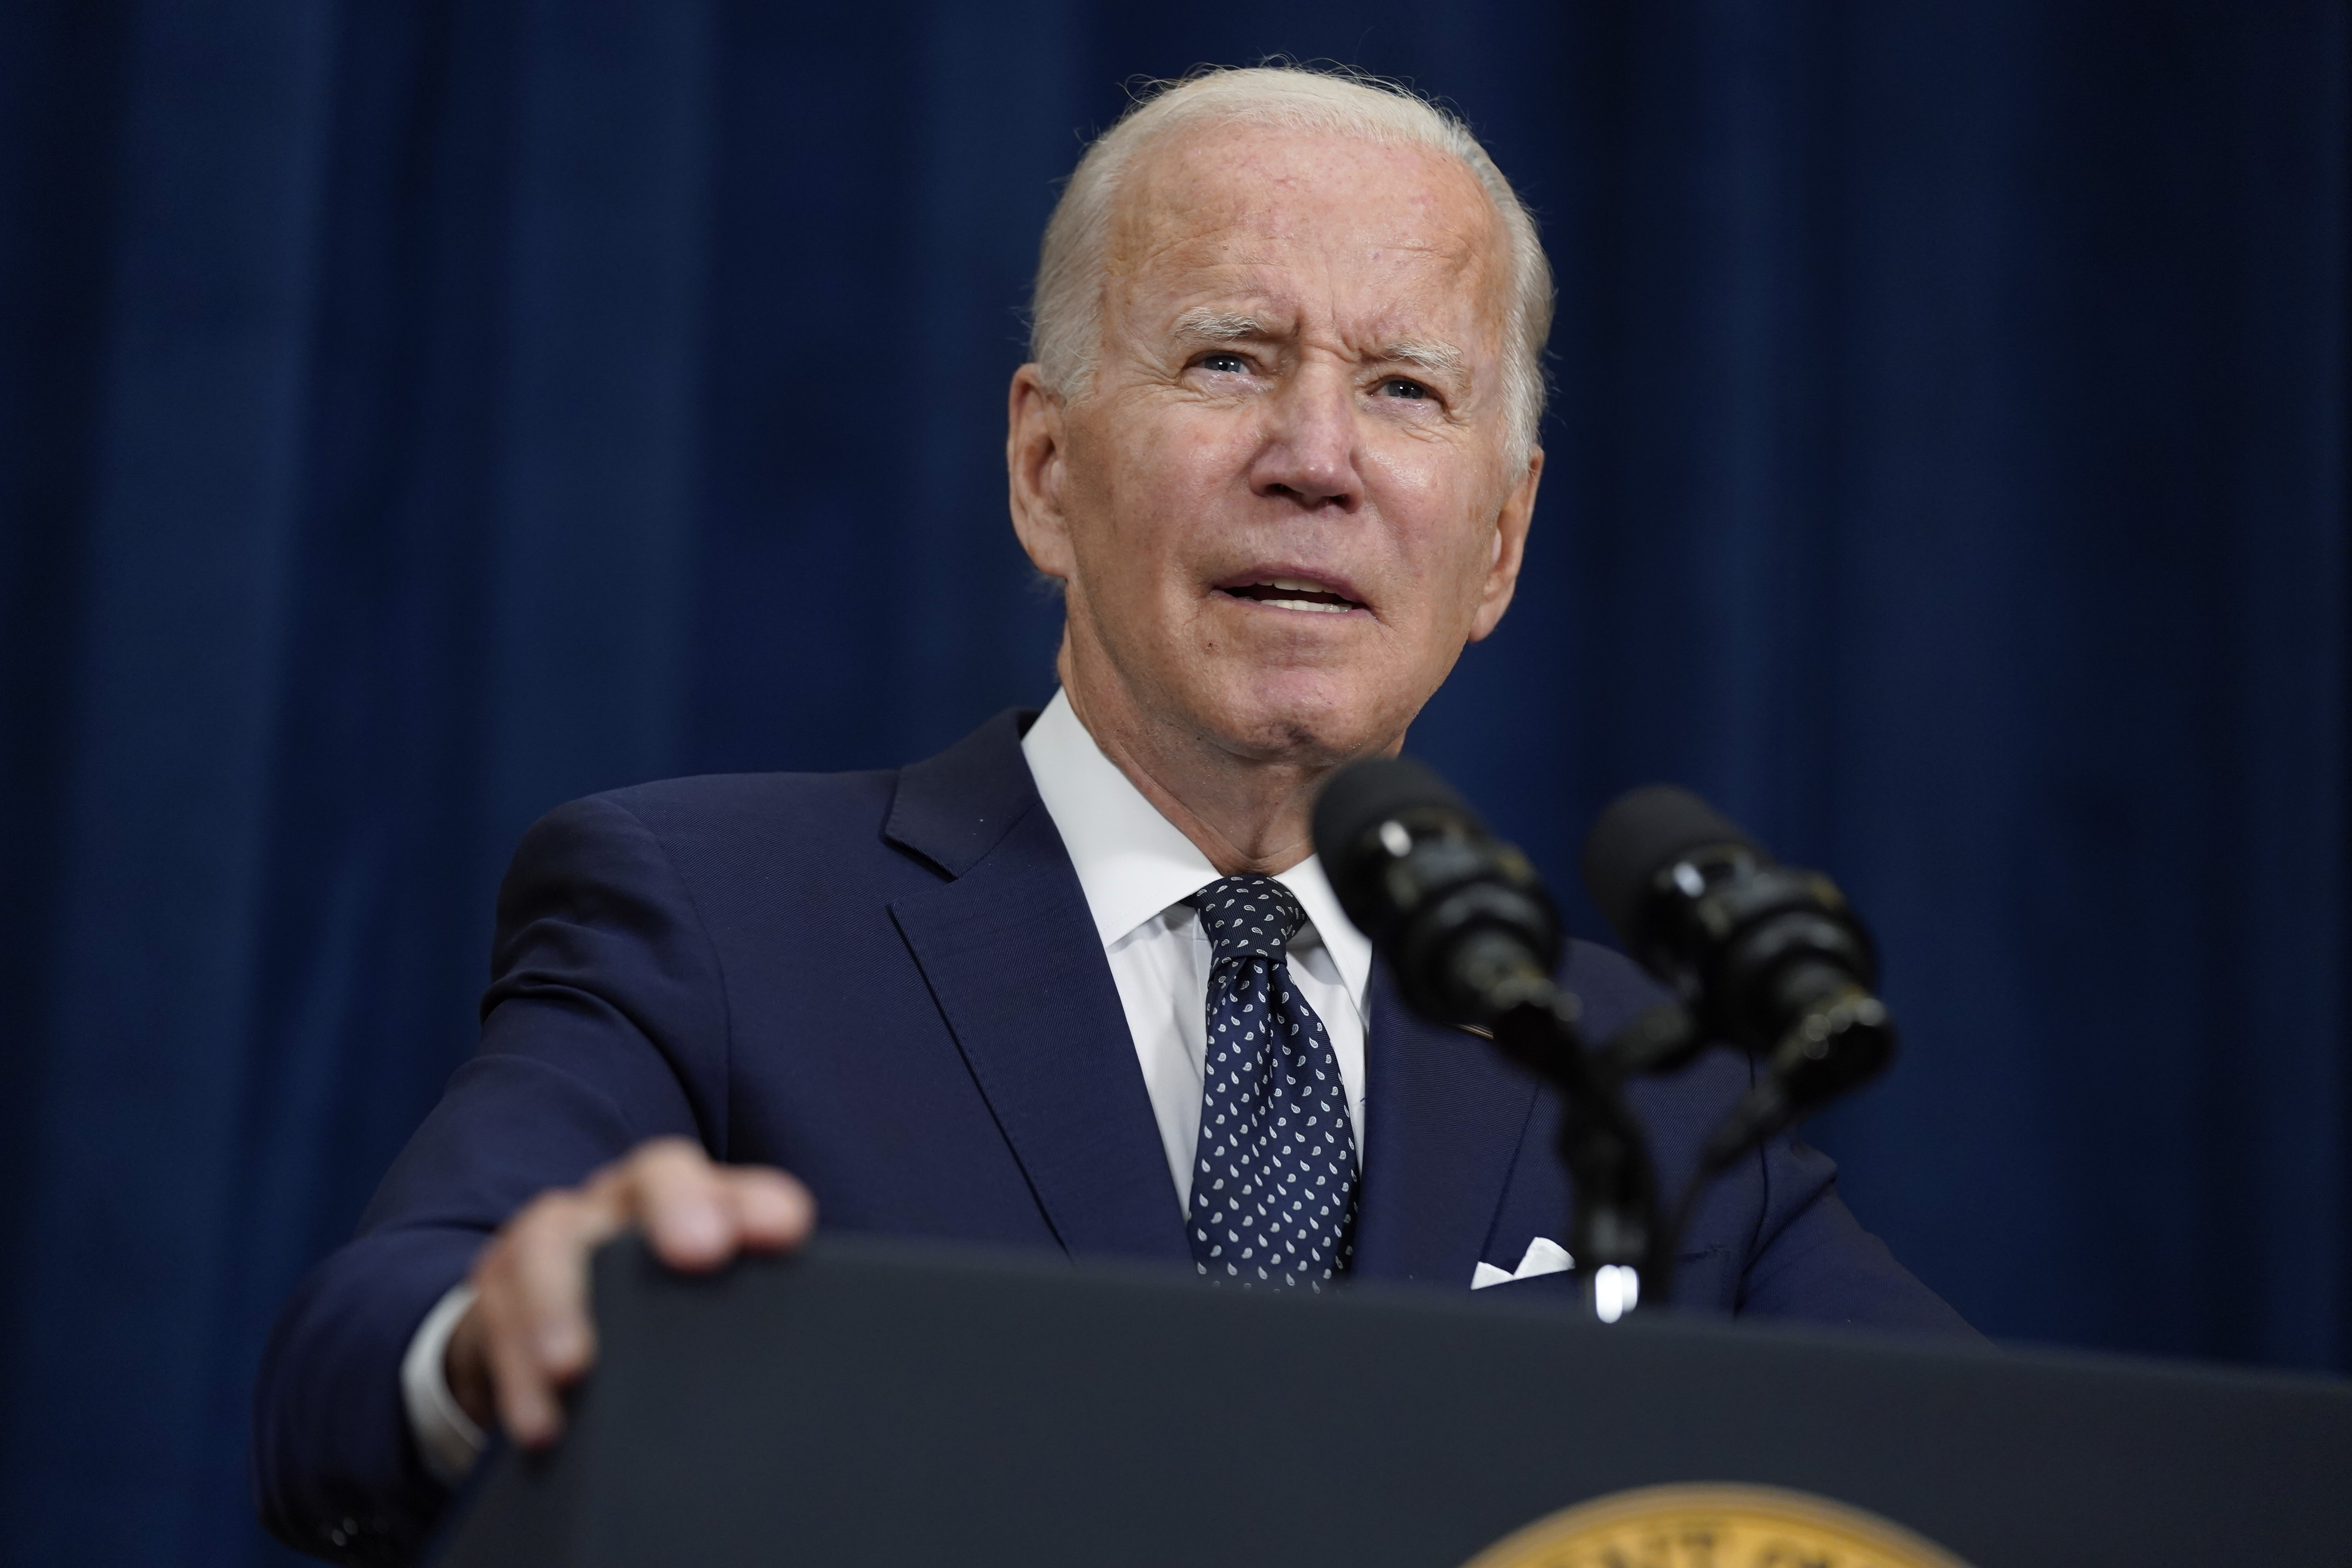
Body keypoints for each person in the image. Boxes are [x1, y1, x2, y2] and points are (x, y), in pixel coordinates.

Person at [254, 64, 1972, 1564]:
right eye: (1228, 359)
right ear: (1047, 470)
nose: (1317, 457)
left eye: (1404, 388)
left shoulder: (1649, 1091)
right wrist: (490, 1339)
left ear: (1500, 544)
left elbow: (1988, 1476)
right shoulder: (714, 916)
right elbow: (354, 1358)